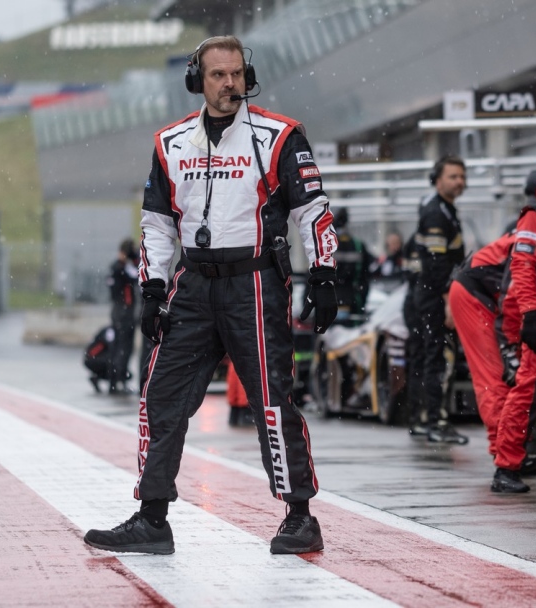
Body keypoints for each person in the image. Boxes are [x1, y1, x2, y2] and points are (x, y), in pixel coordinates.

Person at [84, 35, 339, 556]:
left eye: (237, 74)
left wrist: (325, 274)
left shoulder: (281, 135)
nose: (229, 84)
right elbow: (156, 223)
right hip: (192, 283)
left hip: (255, 281)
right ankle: (152, 517)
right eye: (218, 75)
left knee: (272, 400)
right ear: (197, 80)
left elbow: (313, 211)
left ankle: (299, 516)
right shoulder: (169, 143)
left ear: (249, 77)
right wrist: (152, 288)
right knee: (161, 394)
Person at [405, 155, 468, 444]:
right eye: (453, 176)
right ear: (437, 179)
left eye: (462, 177)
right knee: (441, 357)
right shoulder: (435, 213)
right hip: (434, 296)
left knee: (427, 357)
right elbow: (434, 262)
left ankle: (422, 419)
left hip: (425, 294)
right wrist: (447, 300)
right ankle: (437, 421)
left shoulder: (442, 209)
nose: (459, 182)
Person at [449, 228, 517, 456]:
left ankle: (514, 447)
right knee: (493, 376)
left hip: (486, 292)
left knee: (513, 376)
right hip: (474, 296)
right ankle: (503, 453)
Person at [106, 238, 139, 395]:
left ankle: (118, 379)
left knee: (123, 347)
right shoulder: (120, 268)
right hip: (123, 311)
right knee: (122, 347)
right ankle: (116, 380)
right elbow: (134, 276)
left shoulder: (119, 267)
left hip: (122, 311)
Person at [331, 207, 375, 322]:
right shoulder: (358, 245)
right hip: (354, 299)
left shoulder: (325, 246)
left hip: (330, 300)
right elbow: (366, 275)